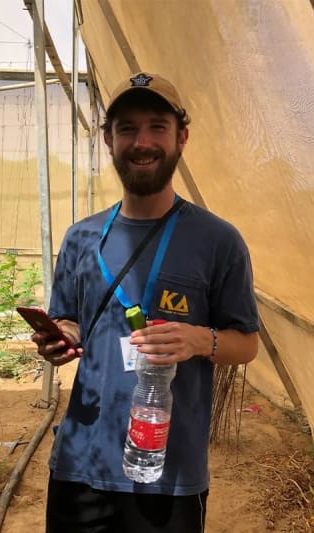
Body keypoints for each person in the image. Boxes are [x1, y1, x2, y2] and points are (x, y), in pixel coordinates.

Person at [32, 72, 259, 532]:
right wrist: (63, 337)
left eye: (157, 126)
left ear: (182, 137)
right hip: (81, 464)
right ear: (109, 140)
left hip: (167, 473)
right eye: (127, 128)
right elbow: (69, 318)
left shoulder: (218, 241)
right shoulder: (82, 238)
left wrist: (199, 339)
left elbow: (247, 343)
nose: (142, 142)